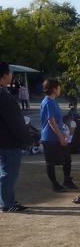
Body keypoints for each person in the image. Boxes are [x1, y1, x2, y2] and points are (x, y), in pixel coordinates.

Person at [0, 61, 32, 212]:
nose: (11, 75)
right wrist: (27, 139)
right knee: (9, 173)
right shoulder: (4, 97)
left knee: (4, 172)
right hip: (8, 142)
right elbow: (15, 123)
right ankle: (7, 203)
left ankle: (7, 200)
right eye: (10, 72)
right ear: (5, 75)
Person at [40, 78, 77, 192]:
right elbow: (51, 121)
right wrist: (61, 137)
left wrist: (65, 134)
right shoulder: (48, 102)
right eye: (59, 87)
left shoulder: (53, 101)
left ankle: (67, 180)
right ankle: (55, 184)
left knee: (67, 159)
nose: (60, 89)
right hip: (50, 138)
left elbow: (59, 121)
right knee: (51, 162)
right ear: (54, 89)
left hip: (58, 135)